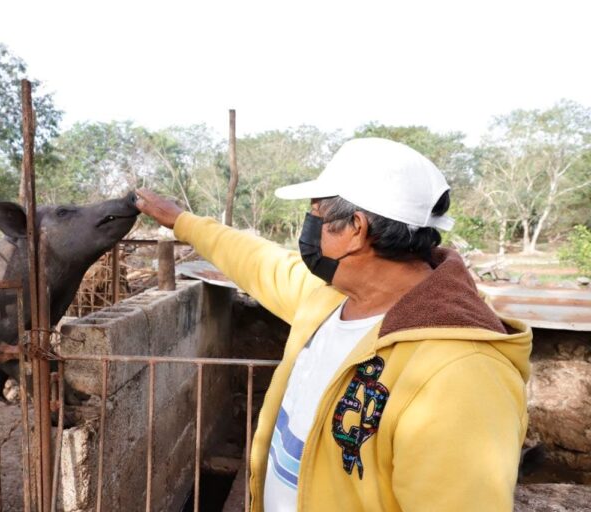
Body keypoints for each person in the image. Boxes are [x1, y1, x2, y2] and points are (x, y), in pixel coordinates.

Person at [135, 137, 531, 512]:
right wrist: (180, 220)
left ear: (355, 229)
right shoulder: (330, 298)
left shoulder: (462, 374)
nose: (307, 228)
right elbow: (256, 260)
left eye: (315, 213)